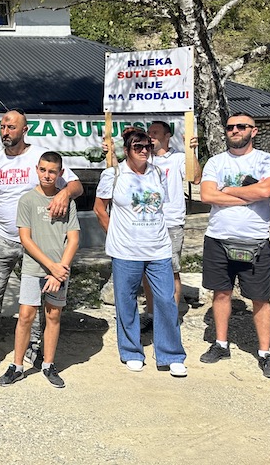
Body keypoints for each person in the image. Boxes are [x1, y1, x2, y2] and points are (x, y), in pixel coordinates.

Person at [0, 110, 82, 362]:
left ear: (25, 130)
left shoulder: (40, 158)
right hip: (3, 240)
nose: (5, 132)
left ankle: (33, 346)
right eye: (3, 127)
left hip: (38, 244)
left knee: (34, 298)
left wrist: (64, 193)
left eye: (12, 127)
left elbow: (76, 186)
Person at [93, 127, 187, 377]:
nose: (144, 151)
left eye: (148, 146)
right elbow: (100, 209)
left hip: (158, 248)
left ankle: (171, 354)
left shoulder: (158, 172)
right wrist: (114, 233)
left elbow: (160, 207)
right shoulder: (113, 174)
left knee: (166, 300)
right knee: (126, 301)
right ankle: (132, 351)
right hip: (126, 251)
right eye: (138, 147)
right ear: (127, 150)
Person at [198, 113, 270, 379]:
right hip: (218, 238)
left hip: (255, 240)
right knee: (221, 293)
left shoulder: (267, 160)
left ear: (253, 131)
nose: (235, 131)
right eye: (230, 127)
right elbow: (207, 195)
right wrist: (248, 194)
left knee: (260, 298)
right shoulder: (215, 161)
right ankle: (221, 344)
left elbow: (266, 192)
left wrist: (226, 190)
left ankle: (264, 353)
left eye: (241, 126)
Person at [0, 152, 79, 389]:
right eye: (43, 170)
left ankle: (48, 364)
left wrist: (59, 270)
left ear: (60, 173)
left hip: (60, 269)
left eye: (52, 171)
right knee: (26, 315)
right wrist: (50, 267)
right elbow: (25, 238)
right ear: (36, 169)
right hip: (34, 268)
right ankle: (17, 365)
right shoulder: (27, 200)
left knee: (53, 315)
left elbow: (73, 239)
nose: (47, 175)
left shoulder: (68, 202)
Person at [139, 121, 201, 329]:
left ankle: (169, 319)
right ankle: (151, 313)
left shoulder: (178, 158)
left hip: (171, 223)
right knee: (147, 271)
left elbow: (196, 178)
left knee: (171, 270)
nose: (151, 136)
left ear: (167, 136)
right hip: (146, 223)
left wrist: (191, 151)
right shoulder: (142, 158)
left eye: (155, 132)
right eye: (149, 132)